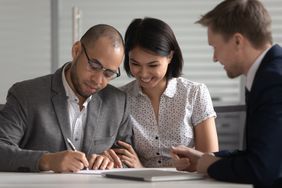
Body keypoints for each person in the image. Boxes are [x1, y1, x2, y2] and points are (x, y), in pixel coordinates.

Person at [171, 0, 282, 187]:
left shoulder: (274, 81)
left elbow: (262, 169)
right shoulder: (265, 74)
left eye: (214, 47)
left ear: (238, 41)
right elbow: (261, 153)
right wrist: (207, 158)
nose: (214, 58)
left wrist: (211, 166)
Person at [0, 24, 132, 172]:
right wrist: (46, 161)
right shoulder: (26, 94)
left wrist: (110, 161)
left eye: (108, 74)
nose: (98, 80)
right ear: (76, 51)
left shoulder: (119, 102)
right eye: (94, 65)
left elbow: (127, 159)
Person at [113, 17, 219, 168]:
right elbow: (119, 157)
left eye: (153, 65)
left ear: (170, 56)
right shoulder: (120, 98)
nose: (143, 74)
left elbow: (211, 161)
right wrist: (139, 170)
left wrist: (185, 168)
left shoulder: (195, 93)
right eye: (135, 63)